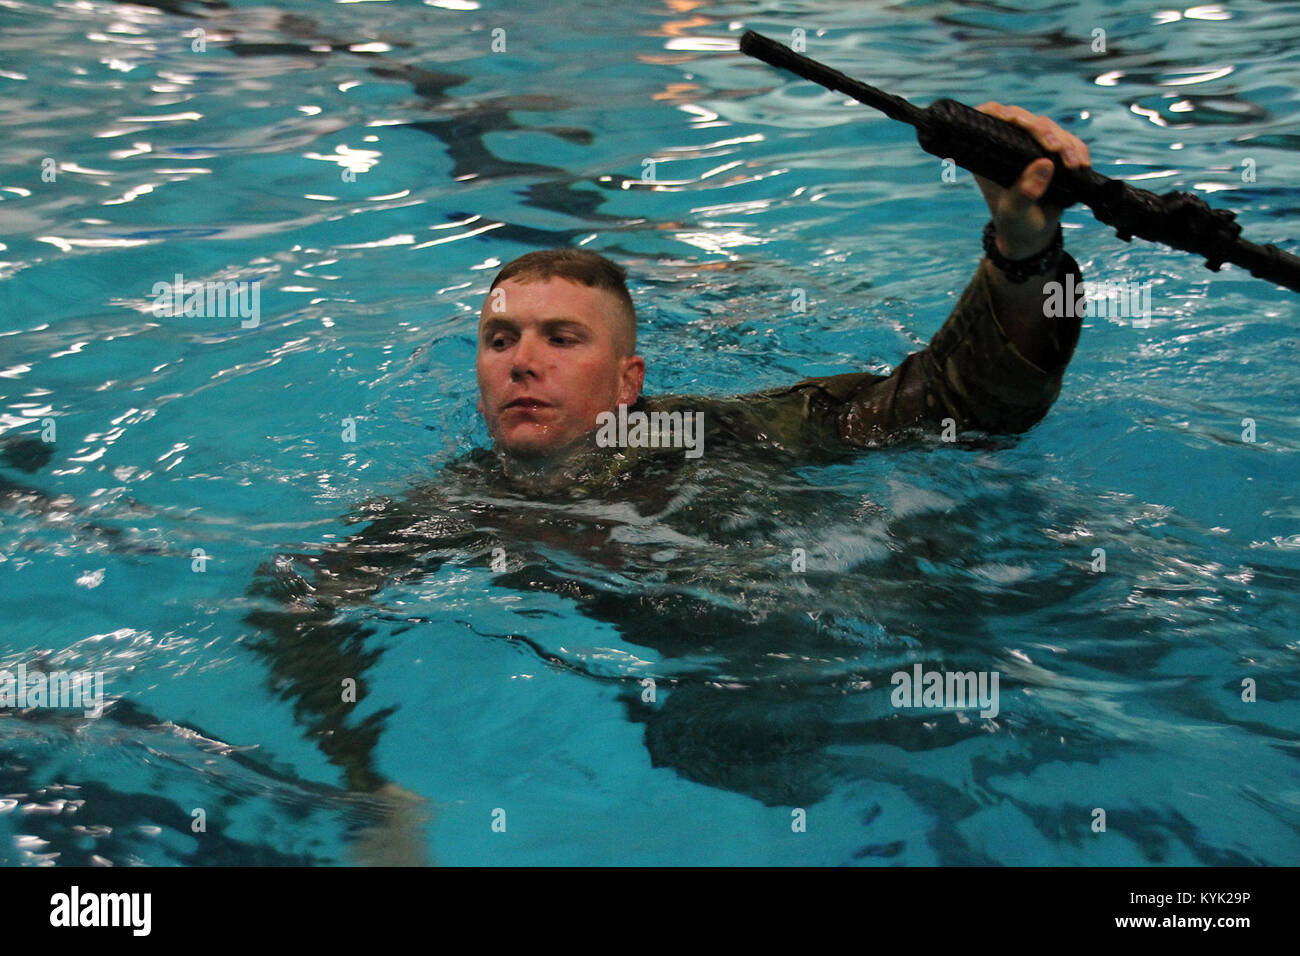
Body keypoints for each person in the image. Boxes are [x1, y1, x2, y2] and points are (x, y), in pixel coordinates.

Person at [476, 102, 1091, 490]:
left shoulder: (708, 436)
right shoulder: (465, 507)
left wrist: (1023, 253)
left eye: (561, 338)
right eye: (500, 340)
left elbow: (957, 406)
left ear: (626, 384)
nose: (522, 361)